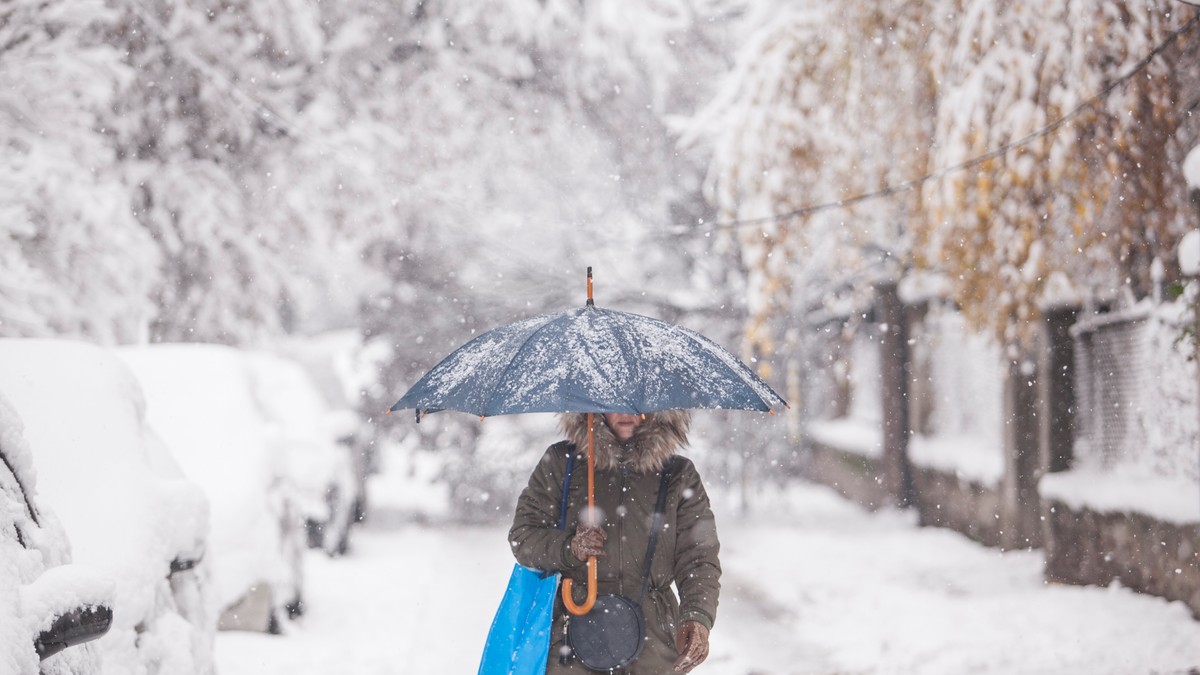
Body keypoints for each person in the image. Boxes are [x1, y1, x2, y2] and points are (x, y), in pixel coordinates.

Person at [509, 410, 721, 674]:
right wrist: (569, 548)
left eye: (637, 405)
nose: (625, 413)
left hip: (654, 647)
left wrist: (697, 615)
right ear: (593, 406)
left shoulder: (679, 474)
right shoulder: (561, 463)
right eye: (614, 404)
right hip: (572, 642)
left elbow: (699, 559)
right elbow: (523, 536)